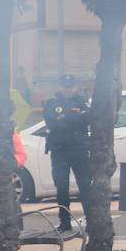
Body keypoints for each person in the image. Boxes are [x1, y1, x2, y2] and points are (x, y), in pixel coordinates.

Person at [42, 74, 90, 229]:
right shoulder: (51, 104)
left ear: (75, 87)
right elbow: (53, 124)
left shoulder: (82, 102)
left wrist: (64, 117)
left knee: (85, 187)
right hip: (59, 151)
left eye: (70, 86)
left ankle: (91, 219)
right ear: (59, 86)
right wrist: (74, 118)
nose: (67, 90)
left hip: (79, 150)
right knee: (62, 187)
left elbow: (87, 119)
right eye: (64, 86)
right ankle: (64, 222)